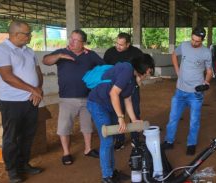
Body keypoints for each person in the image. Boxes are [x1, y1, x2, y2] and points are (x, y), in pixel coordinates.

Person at [86, 54, 155, 183]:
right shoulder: (127, 69)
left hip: (109, 105)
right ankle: (107, 177)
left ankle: (111, 172)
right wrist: (121, 117)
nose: (149, 73)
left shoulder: (133, 79)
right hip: (98, 104)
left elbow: (127, 99)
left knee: (111, 140)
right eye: (149, 70)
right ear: (144, 67)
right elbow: (114, 93)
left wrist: (134, 120)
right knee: (106, 140)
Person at [0, 20, 43, 183]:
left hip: (31, 101)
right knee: (11, 138)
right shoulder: (1, 51)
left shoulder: (29, 51)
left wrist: (39, 88)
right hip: (12, 103)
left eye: (30, 33)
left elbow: (38, 72)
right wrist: (33, 90)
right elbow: (8, 77)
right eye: (27, 33)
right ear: (15, 34)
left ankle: (24, 164)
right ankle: (12, 170)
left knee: (27, 135)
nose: (30, 36)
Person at [42, 29, 104, 165]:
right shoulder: (62, 52)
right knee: (64, 127)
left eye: (76, 40)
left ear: (83, 43)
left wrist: (96, 82)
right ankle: (66, 153)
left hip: (87, 97)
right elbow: (45, 61)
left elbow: (103, 67)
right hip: (67, 98)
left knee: (87, 126)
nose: (72, 41)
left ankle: (88, 149)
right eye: (71, 38)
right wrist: (59, 56)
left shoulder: (90, 55)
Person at [162, 27, 213, 156]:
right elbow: (174, 54)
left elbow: (209, 71)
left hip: (195, 94)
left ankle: (191, 144)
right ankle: (169, 141)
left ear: (202, 40)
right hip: (180, 91)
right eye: (193, 39)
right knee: (173, 118)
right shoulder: (184, 45)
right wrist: (177, 70)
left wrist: (206, 82)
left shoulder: (206, 52)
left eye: (197, 41)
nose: (194, 43)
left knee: (194, 121)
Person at [103, 32, 143, 151]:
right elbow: (105, 69)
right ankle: (119, 140)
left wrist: (139, 76)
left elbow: (142, 66)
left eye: (121, 44)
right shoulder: (110, 52)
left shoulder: (136, 53)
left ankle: (135, 138)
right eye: (116, 43)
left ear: (128, 44)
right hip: (116, 88)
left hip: (132, 87)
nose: (118, 46)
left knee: (134, 112)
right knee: (118, 114)